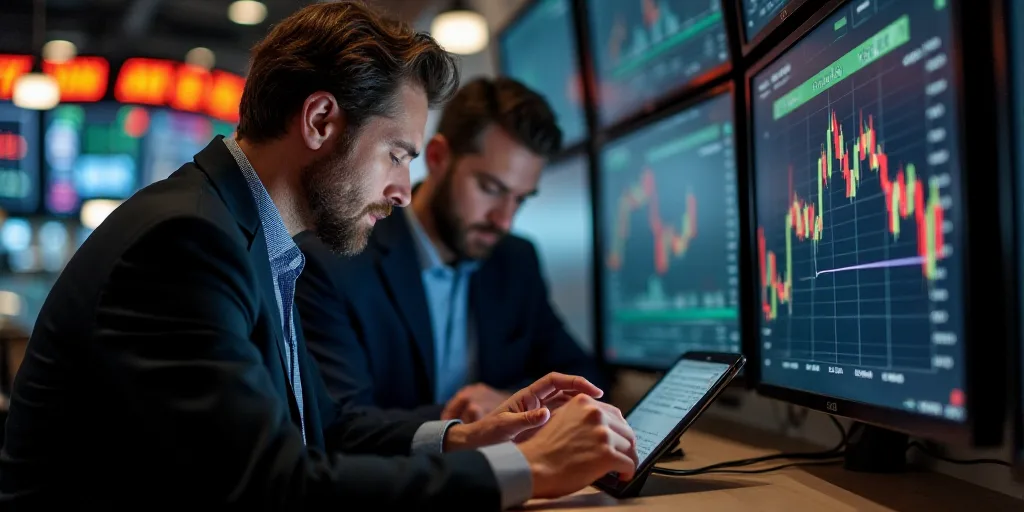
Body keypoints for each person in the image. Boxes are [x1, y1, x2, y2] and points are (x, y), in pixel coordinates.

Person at [0, 2, 637, 508]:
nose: (402, 190)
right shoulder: (187, 243)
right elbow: (272, 486)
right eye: (396, 154)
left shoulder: (246, 233)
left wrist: (465, 438)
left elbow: (328, 430)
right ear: (320, 121)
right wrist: (530, 468)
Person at [295, 77, 607, 423]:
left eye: (519, 199)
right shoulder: (336, 259)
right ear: (438, 157)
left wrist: (512, 402)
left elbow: (586, 378)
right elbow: (343, 425)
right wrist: (468, 421)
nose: (503, 220)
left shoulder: (515, 260)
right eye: (490, 188)